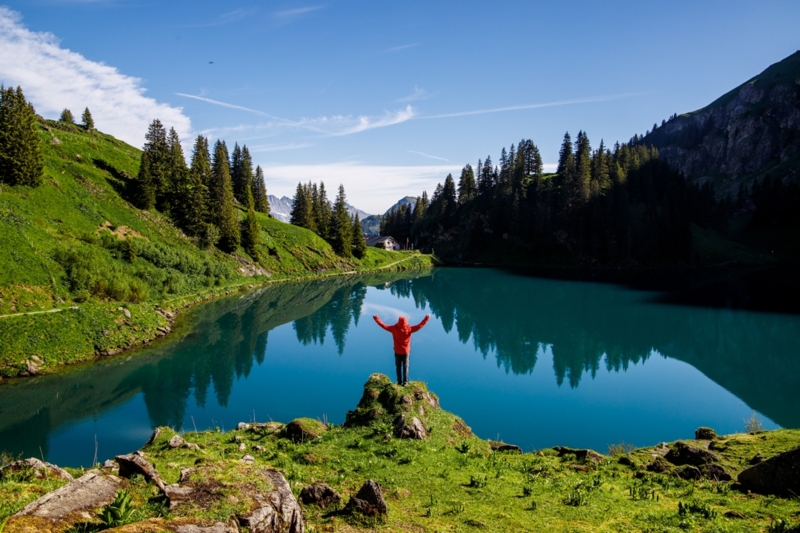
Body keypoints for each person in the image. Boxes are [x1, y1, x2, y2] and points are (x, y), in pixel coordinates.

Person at [373, 313, 430, 386]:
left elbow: (383, 325)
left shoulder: (394, 329)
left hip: (397, 351)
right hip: (406, 352)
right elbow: (420, 326)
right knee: (406, 367)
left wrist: (376, 318)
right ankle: (405, 382)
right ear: (406, 322)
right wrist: (427, 318)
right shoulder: (409, 329)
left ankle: (399, 382)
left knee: (398, 367)